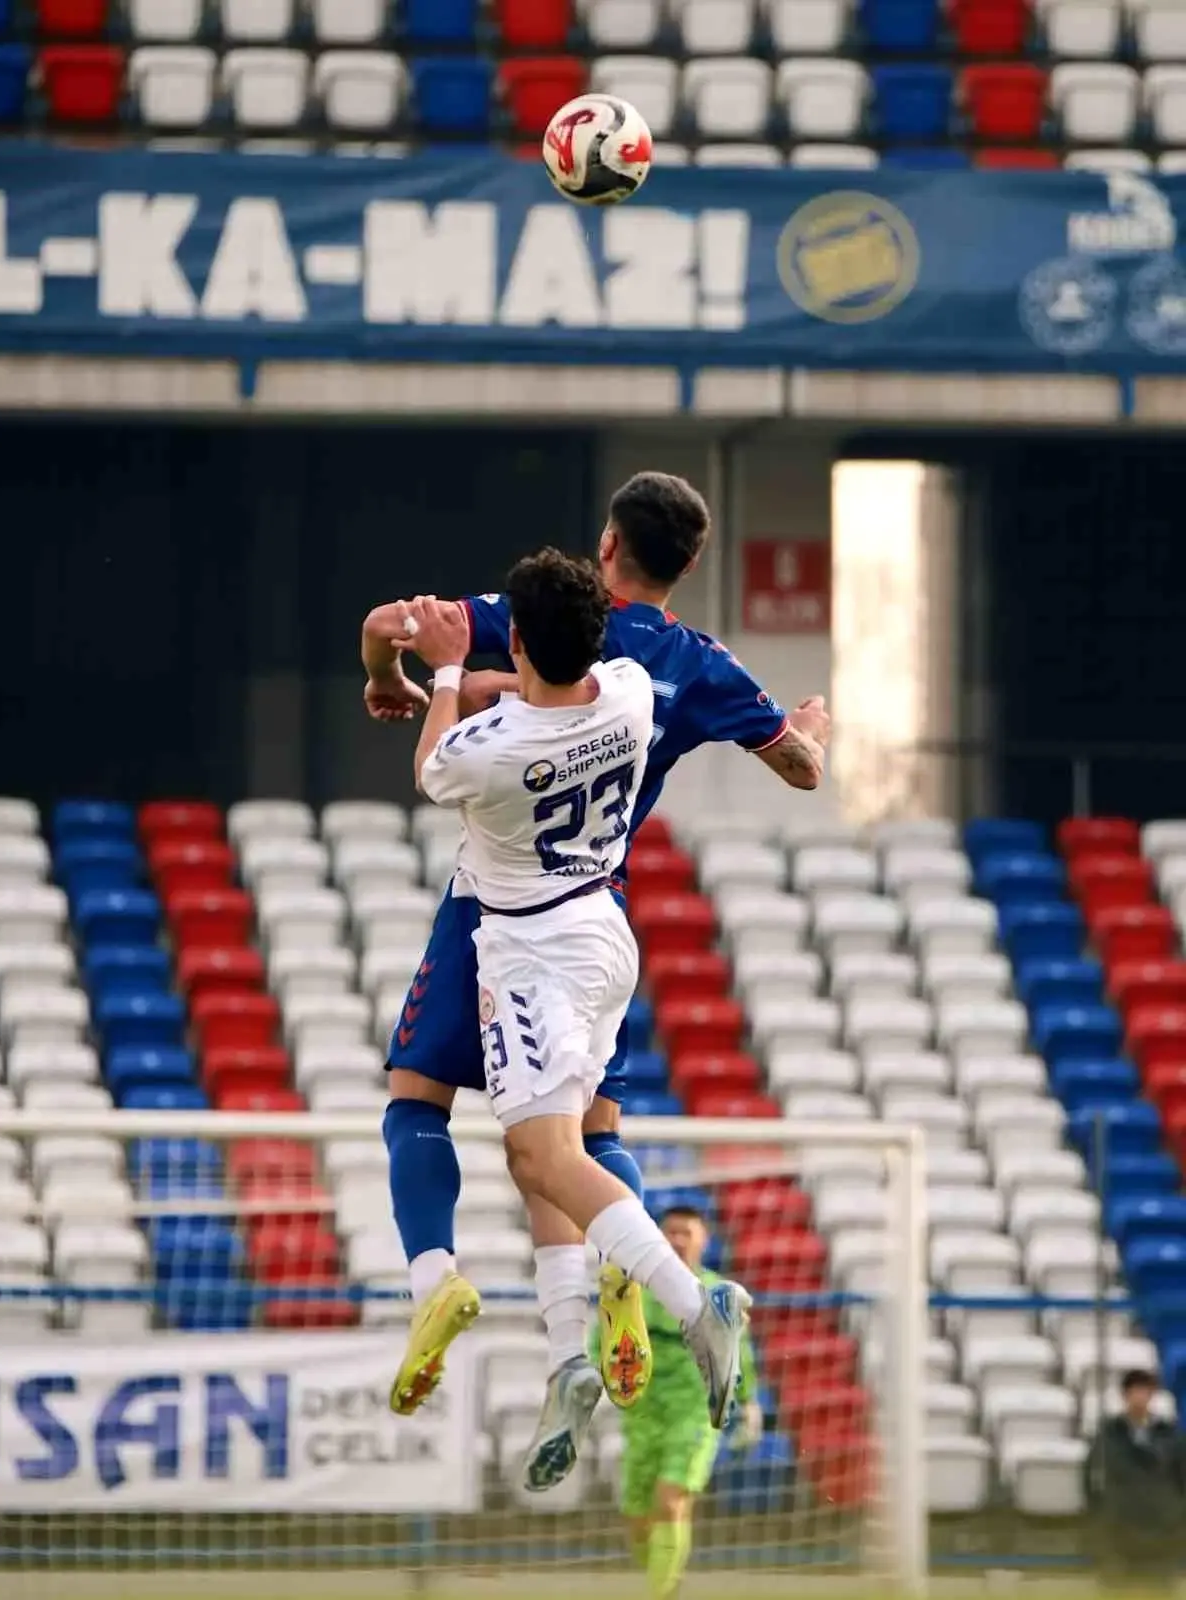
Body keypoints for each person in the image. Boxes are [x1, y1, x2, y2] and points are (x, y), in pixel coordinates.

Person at [361, 473, 829, 1450]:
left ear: (606, 543)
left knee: (451, 1112)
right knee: (585, 1126)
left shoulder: (492, 724)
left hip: (506, 917)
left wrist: (409, 677)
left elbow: (407, 664)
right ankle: (573, 1352)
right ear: (689, 564)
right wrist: (811, 734)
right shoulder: (657, 679)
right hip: (605, 906)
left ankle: (460, 1279)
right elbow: (797, 763)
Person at [403, 550, 752, 1493]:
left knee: (551, 1157)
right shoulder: (633, 693)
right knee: (539, 1159)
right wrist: (494, 677)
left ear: (516, 639)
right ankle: (570, 1357)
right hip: (603, 933)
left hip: (531, 961)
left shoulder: (488, 751)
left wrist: (441, 670)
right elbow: (544, 691)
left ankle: (696, 1302)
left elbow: (434, 761)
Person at [591, 1205, 760, 1600]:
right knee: (637, 1516)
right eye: (671, 1231)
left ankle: (663, 1593)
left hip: (695, 1412)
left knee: (671, 1501)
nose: (678, 1239)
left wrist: (748, 1401)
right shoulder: (633, 1291)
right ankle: (662, 1578)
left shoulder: (716, 1294)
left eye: (688, 1231)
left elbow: (739, 1353)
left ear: (704, 1239)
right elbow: (607, 1337)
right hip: (642, 1414)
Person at [1085, 1366, 1186, 1592]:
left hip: (1160, 1528)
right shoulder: (1109, 1434)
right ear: (1125, 1395)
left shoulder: (1169, 1434)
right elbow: (1090, 1476)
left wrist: (1175, 1514)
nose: (1139, 1397)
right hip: (1121, 1528)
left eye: (1145, 1391)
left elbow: (1181, 1476)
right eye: (1134, 1391)